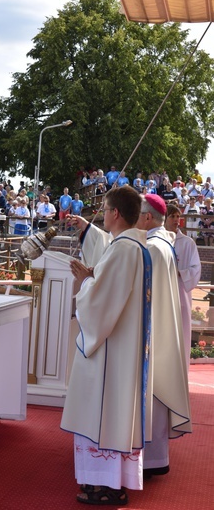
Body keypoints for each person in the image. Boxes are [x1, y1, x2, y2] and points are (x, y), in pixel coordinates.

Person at [61, 187, 152, 505]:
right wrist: (92, 278)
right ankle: (111, 481)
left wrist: (86, 281)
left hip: (110, 352)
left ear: (115, 213)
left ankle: (104, 485)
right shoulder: (134, 247)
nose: (102, 214)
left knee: (101, 412)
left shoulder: (123, 249)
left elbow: (102, 302)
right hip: (122, 347)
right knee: (114, 414)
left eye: (105, 210)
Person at [136, 195, 191, 479]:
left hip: (150, 332)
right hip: (157, 328)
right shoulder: (161, 243)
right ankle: (153, 458)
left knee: (151, 396)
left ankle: (150, 460)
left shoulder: (154, 248)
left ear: (147, 217)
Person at [165, 205, 202, 369]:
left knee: (181, 337)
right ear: (164, 219)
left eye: (177, 216)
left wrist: (181, 273)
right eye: (172, 216)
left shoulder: (188, 243)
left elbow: (196, 269)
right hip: (162, 297)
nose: (176, 220)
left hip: (181, 297)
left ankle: (181, 375)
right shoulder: (158, 241)